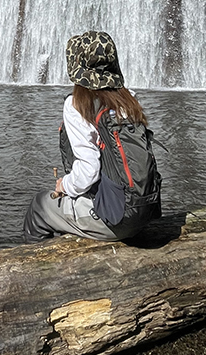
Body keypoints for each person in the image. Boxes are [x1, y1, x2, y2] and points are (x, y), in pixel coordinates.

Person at [22, 30, 156, 243]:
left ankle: (38, 261)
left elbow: (88, 170)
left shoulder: (76, 105)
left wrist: (64, 185)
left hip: (114, 217)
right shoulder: (129, 98)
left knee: (39, 206)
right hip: (144, 212)